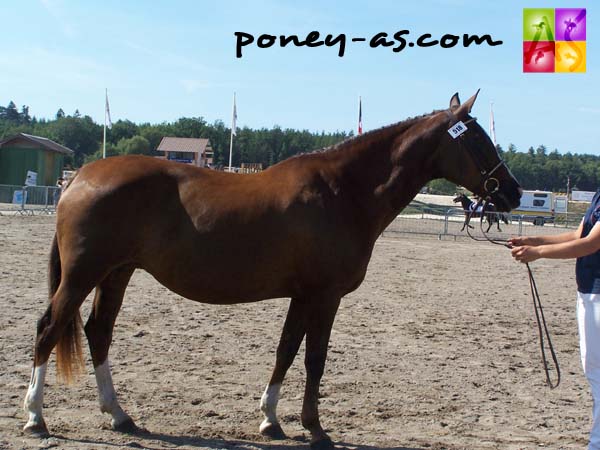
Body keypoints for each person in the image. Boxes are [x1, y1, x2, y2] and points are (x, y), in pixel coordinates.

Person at [510, 190, 600, 450]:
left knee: (597, 373)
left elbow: (591, 244)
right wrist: (532, 239)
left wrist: (538, 252)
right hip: (589, 292)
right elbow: (577, 235)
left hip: (597, 294)